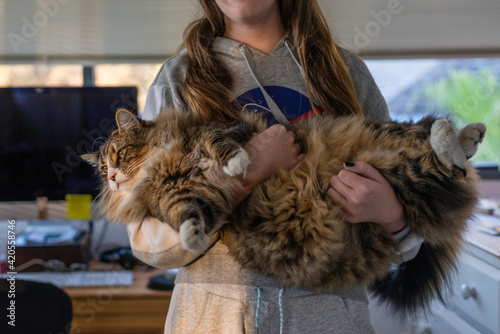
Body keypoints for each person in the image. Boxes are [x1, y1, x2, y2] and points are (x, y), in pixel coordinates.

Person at [127, 0, 422, 332]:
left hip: (332, 319)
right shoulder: (178, 79)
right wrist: (246, 174)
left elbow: (410, 233)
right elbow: (147, 240)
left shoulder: (348, 73)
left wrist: (394, 216)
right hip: (212, 321)